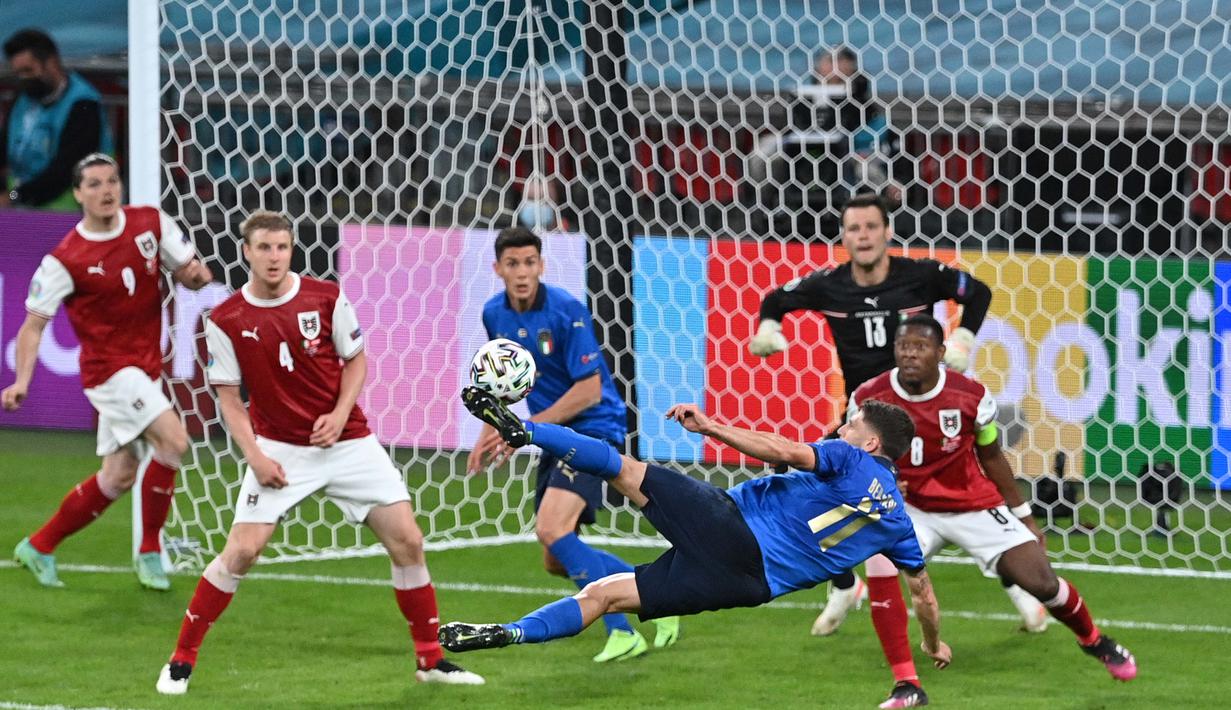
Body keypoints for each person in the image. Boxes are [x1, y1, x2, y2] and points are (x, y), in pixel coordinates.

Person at [445, 387, 951, 708]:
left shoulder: (848, 457)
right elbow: (924, 596)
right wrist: (932, 644)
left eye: (851, 425)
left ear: (870, 444)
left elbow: (782, 450)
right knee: (604, 596)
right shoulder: (900, 526)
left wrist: (710, 427)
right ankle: (509, 632)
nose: (841, 428)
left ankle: (524, 430)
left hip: (733, 529)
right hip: (746, 585)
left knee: (621, 468)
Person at [154, 211, 482, 694]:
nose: (274, 257)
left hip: (348, 442)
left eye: (282, 247)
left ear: (292, 249)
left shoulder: (325, 297)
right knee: (242, 551)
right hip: (280, 449)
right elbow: (228, 399)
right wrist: (255, 457)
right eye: (264, 247)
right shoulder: (226, 319)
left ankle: (430, 659)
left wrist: (340, 412)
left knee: (408, 542)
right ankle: (181, 659)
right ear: (247, 251)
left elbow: (356, 361)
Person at [748, 194, 1037, 655]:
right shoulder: (830, 285)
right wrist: (768, 328)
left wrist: (962, 339)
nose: (862, 236)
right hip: (865, 423)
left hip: (924, 413)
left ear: (887, 232)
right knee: (803, 487)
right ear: (844, 237)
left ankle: (1017, 583)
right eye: (853, 228)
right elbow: (776, 299)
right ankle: (845, 585)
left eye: (870, 227)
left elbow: (977, 292)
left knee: (962, 494)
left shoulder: (919, 275)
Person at [850, 315, 1137, 682]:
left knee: (1042, 582)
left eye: (920, 347)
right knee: (880, 561)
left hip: (972, 504)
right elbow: (857, 457)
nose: (909, 354)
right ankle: (906, 681)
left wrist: (1024, 516)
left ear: (940, 352)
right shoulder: (870, 398)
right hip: (911, 510)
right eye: (903, 346)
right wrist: (883, 482)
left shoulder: (970, 396)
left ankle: (1094, 640)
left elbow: (991, 455)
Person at [467, 226, 680, 661]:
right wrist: (488, 430)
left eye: (530, 263)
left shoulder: (567, 311)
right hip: (551, 433)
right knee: (554, 557)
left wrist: (523, 429)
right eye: (512, 264)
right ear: (497, 269)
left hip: (593, 428)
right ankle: (661, 595)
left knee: (552, 528)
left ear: (542, 266)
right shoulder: (494, 314)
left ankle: (622, 632)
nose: (522, 272)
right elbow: (500, 383)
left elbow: (588, 391)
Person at [4, 153, 211, 590]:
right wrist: (22, 381)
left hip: (146, 368)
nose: (106, 191)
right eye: (94, 184)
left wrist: (196, 275)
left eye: (112, 181)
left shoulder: (150, 223)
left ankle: (39, 546)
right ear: (78, 194)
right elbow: (32, 326)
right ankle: (151, 552)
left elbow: (190, 272)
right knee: (174, 441)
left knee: (117, 476)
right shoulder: (66, 259)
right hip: (110, 374)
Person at [1, 29, 113, 210]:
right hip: (23, 206)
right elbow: (4, 146)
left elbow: (68, 169)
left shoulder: (83, 104)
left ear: (51, 62)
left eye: (28, 70)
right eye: (18, 73)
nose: (23, 78)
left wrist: (14, 196)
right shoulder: (23, 99)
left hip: (70, 211)